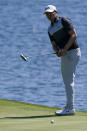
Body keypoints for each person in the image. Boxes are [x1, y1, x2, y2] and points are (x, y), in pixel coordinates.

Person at [44, 5, 81, 115]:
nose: (49, 15)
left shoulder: (64, 21)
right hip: (66, 54)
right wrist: (57, 51)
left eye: (50, 13)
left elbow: (74, 35)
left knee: (68, 81)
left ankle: (70, 108)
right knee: (67, 81)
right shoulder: (50, 30)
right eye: (47, 14)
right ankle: (69, 106)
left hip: (72, 52)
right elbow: (54, 45)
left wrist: (64, 49)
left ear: (56, 12)